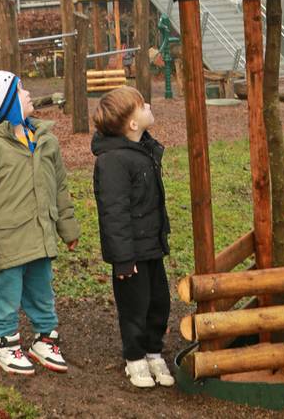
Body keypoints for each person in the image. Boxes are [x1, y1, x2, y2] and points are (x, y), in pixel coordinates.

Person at [0, 70, 80, 376]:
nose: (28, 94)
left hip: (41, 234)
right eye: (20, 91)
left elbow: (59, 188)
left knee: (42, 289)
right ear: (4, 106)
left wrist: (67, 228)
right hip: (7, 241)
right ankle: (5, 343)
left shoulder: (45, 141)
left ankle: (45, 338)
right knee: (6, 292)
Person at [92, 87, 174, 389]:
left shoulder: (145, 149)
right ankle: (135, 358)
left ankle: (154, 352)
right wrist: (123, 259)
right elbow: (113, 213)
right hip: (131, 255)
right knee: (135, 306)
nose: (148, 105)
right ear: (132, 124)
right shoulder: (113, 160)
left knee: (159, 303)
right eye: (142, 105)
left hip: (152, 246)